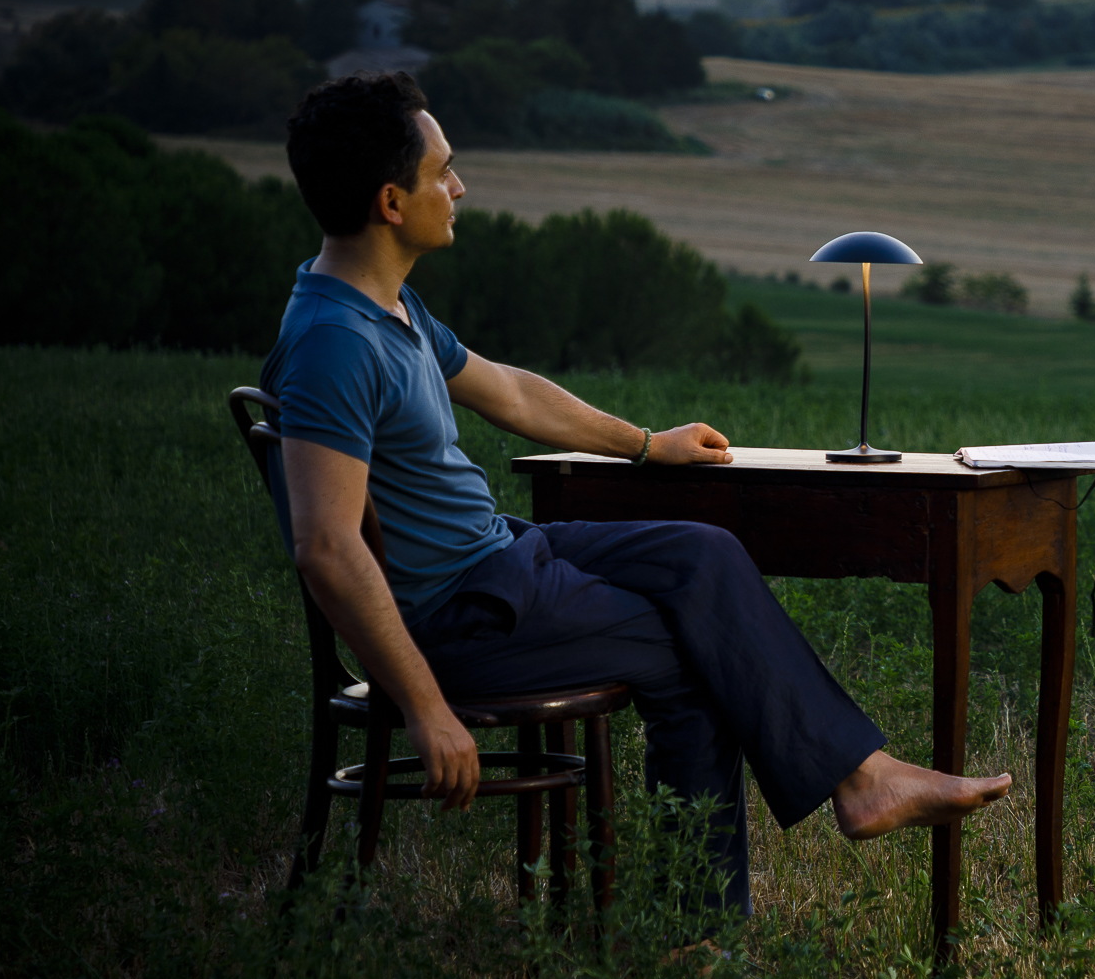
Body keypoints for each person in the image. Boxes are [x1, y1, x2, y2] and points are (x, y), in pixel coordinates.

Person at [262, 71, 1008, 912]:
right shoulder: (333, 342)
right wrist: (426, 705)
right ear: (392, 203)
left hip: (499, 559)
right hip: (457, 617)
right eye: (444, 172)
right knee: (699, 652)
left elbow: (507, 391)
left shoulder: (388, 307)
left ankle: (860, 778)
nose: (460, 187)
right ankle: (713, 924)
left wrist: (651, 445)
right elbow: (327, 546)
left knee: (703, 553)